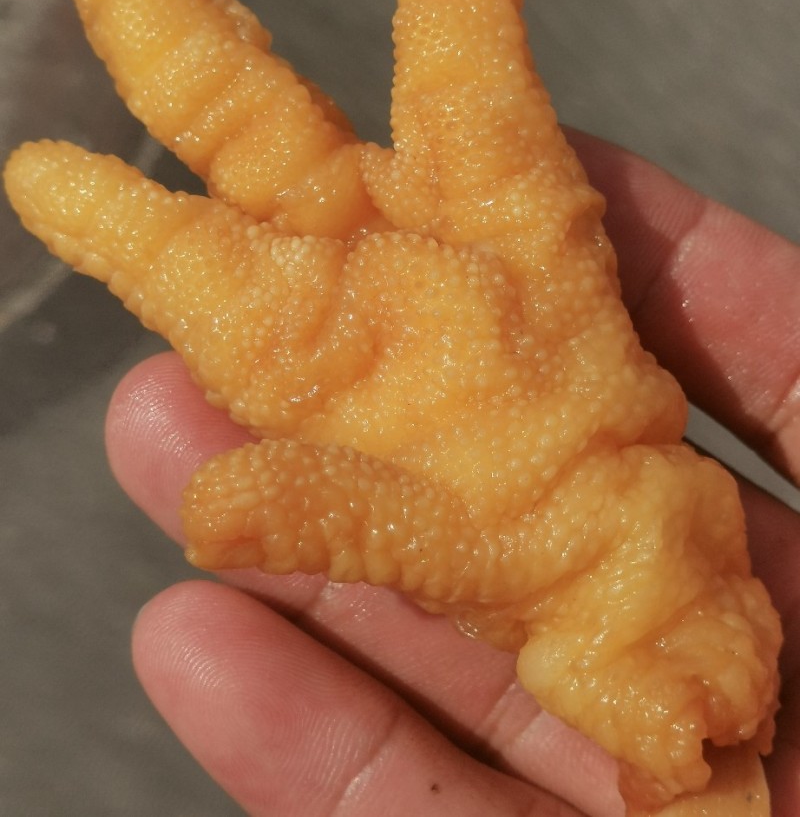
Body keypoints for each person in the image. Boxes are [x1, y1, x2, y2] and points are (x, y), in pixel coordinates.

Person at [105, 133, 800, 817]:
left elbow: (290, 506)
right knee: (175, 184)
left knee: (164, 198)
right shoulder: (526, 561)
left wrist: (265, 507)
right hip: (412, 306)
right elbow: (284, 504)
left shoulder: (515, 561)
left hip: (321, 336)